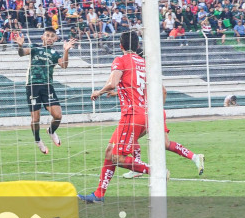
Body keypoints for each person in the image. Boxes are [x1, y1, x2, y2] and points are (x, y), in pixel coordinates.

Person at [78, 31, 166, 203]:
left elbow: (112, 82)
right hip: (144, 115)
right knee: (110, 151)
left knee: (116, 157)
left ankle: (156, 171)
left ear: (121, 46)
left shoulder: (120, 60)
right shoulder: (144, 63)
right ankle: (98, 195)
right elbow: (153, 89)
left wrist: (100, 92)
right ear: (138, 46)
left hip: (131, 115)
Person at [16, 27, 76, 154]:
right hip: (33, 85)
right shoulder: (34, 48)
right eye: (47, 35)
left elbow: (64, 65)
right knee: (35, 119)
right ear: (43, 37)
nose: (49, 37)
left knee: (58, 116)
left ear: (55, 39)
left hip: (47, 86)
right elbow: (22, 53)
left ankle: (51, 131)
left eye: (52, 36)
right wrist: (20, 46)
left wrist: (66, 50)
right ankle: (38, 140)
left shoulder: (54, 53)